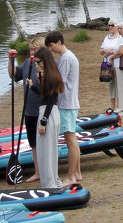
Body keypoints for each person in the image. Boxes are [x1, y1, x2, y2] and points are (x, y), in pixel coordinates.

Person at [45, 31, 82, 184]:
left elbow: (60, 83)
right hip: (70, 102)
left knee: (70, 138)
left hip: (67, 104)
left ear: (59, 42)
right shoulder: (67, 57)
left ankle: (71, 176)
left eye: (51, 46)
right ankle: (78, 173)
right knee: (71, 138)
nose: (50, 49)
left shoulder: (66, 58)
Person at [8, 36, 45, 179]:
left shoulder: (48, 65)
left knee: (44, 143)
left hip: (42, 110)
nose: (32, 53)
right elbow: (13, 74)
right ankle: (38, 172)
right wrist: (11, 60)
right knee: (33, 144)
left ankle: (47, 170)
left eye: (35, 50)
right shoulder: (27, 64)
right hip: (29, 111)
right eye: (31, 50)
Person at [32, 47, 64, 190]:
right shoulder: (52, 74)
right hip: (53, 114)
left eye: (38, 62)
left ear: (44, 61)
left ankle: (49, 185)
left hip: (48, 114)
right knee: (51, 151)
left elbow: (50, 100)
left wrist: (43, 121)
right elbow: (47, 95)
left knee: (45, 153)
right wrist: (34, 86)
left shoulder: (50, 76)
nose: (36, 65)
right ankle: (54, 182)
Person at [99, 22, 123, 112]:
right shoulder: (107, 37)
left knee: (118, 84)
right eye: (109, 25)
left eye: (112, 25)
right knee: (111, 84)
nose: (110, 27)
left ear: (117, 27)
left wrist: (111, 52)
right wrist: (105, 51)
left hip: (117, 63)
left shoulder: (120, 37)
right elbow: (101, 50)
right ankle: (112, 106)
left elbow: (120, 50)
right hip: (108, 64)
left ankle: (119, 105)